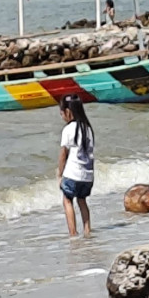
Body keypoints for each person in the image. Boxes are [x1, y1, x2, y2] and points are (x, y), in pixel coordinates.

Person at [57, 94, 95, 237]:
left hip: (72, 173)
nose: (61, 116)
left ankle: (73, 233)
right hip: (87, 176)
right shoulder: (88, 129)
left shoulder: (68, 129)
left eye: (62, 113)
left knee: (67, 200)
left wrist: (60, 174)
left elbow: (63, 155)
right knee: (82, 200)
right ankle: (87, 230)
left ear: (68, 112)